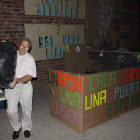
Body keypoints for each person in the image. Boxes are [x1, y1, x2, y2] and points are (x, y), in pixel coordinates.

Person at [4, 38, 36, 139]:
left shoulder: (30, 59)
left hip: (25, 86)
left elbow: (29, 76)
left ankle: (26, 127)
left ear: (29, 48)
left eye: (26, 47)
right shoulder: (11, 54)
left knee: (26, 109)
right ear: (19, 45)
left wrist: (18, 80)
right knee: (11, 111)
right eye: (22, 45)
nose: (23, 48)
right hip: (11, 87)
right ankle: (17, 127)